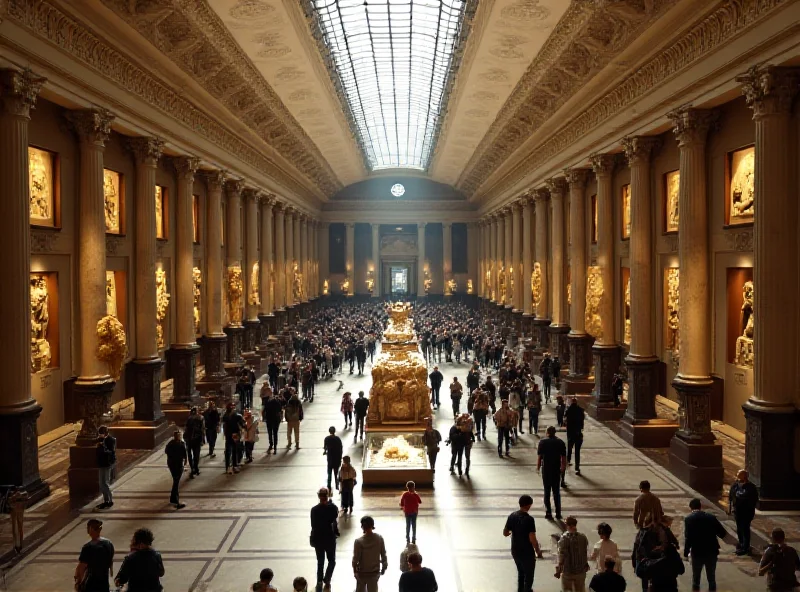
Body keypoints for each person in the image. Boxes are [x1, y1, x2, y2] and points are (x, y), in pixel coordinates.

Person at [503, 494, 544, 592]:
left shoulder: (512, 516)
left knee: (521, 573)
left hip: (515, 550)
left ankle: (520, 590)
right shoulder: (529, 519)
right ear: (528, 505)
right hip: (527, 552)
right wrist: (538, 551)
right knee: (529, 575)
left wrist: (513, 531)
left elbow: (505, 533)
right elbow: (532, 538)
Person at [684, 498, 726, 592]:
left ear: (691, 508)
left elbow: (688, 538)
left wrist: (686, 552)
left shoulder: (689, 519)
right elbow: (722, 533)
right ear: (700, 506)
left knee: (696, 578)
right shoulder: (711, 517)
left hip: (697, 551)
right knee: (711, 578)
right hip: (711, 550)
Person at [310, 487, 339, 590]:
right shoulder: (332, 508)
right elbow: (335, 515)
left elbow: (313, 525)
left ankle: (319, 581)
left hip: (318, 539)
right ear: (328, 495)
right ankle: (327, 579)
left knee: (320, 561)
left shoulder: (314, 510)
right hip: (330, 538)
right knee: (332, 560)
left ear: (318, 496)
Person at [74, 519, 114, 592]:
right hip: (104, 583)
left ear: (90, 529)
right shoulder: (109, 543)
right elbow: (110, 562)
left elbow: (81, 568)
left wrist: (78, 582)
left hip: (91, 584)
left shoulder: (88, 547)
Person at [537, 426, 567, 520]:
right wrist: (562, 468)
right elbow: (563, 457)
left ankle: (548, 513)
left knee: (547, 491)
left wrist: (538, 467)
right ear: (555, 432)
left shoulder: (542, 442)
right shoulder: (560, 442)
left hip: (546, 469)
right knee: (556, 492)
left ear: (547, 432)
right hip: (556, 469)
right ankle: (558, 513)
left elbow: (539, 457)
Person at [352, 515, 388, 592]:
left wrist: (355, 571)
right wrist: (384, 566)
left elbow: (355, 559)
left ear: (362, 526)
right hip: (374, 573)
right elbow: (383, 554)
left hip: (362, 573)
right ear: (372, 525)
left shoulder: (358, 542)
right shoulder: (379, 539)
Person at [758, 527, 800, 591]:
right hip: (790, 584)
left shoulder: (770, 551)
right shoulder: (792, 550)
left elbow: (760, 572)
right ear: (784, 538)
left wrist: (771, 563)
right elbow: (798, 567)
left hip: (775, 586)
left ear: (773, 539)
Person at [729, 469, 759, 556]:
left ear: (744, 476)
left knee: (745, 529)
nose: (737, 476)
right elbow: (731, 496)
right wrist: (731, 507)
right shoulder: (735, 485)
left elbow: (753, 500)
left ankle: (746, 547)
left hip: (746, 512)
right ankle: (741, 543)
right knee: (739, 528)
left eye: (739, 475)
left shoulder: (751, 487)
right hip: (737, 511)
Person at [556, 516, 590, 592]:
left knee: (567, 589)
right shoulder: (583, 537)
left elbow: (561, 555)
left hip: (567, 571)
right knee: (580, 589)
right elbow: (585, 551)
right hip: (581, 570)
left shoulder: (563, 538)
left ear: (568, 525)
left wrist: (558, 568)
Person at [164, 430, 187, 509]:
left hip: (171, 464)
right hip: (177, 464)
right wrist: (185, 462)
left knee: (175, 480)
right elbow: (185, 454)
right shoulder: (181, 444)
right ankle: (176, 502)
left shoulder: (170, 443)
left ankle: (173, 499)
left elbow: (166, 451)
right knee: (176, 483)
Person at [96, 425, 116, 510]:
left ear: (106, 433)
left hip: (107, 464)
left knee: (106, 483)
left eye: (102, 434)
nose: (100, 435)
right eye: (99, 434)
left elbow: (111, 452)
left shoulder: (111, 440)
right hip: (101, 463)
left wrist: (103, 446)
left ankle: (110, 501)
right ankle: (105, 500)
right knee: (101, 483)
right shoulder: (99, 440)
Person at [564, 397, 585, 475]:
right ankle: (577, 467)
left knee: (569, 448)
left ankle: (568, 461)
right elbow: (582, 421)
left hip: (570, 433)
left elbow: (565, 418)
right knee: (577, 452)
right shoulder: (580, 410)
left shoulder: (568, 410)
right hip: (578, 433)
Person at [183, 406, 204, 477]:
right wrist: (202, 440)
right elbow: (202, 430)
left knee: (190, 454)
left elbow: (186, 429)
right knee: (196, 455)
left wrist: (185, 438)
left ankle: (192, 468)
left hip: (189, 439)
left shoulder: (189, 418)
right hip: (197, 439)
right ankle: (196, 468)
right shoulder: (201, 418)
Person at [6, 487, 28, 554]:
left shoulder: (19, 493)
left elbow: (9, 501)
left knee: (17, 527)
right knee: (18, 526)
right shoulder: (21, 493)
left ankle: (18, 545)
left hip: (16, 509)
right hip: (17, 509)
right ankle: (18, 545)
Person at [263, 389, 283, 455]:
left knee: (270, 433)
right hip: (276, 419)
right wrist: (280, 418)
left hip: (269, 419)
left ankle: (271, 444)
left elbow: (264, 411)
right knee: (275, 433)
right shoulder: (277, 401)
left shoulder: (267, 402)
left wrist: (264, 418)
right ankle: (275, 447)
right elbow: (280, 410)